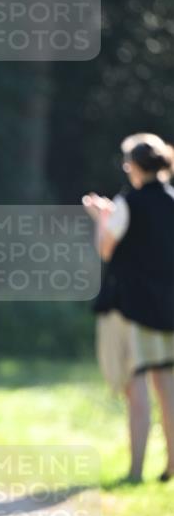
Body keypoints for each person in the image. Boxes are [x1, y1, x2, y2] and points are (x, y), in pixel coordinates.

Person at [83, 133, 174, 483]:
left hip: (131, 308)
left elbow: (106, 250)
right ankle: (171, 465)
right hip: (166, 307)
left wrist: (101, 218)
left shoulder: (128, 202)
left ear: (134, 166)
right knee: (166, 388)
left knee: (137, 390)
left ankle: (136, 470)